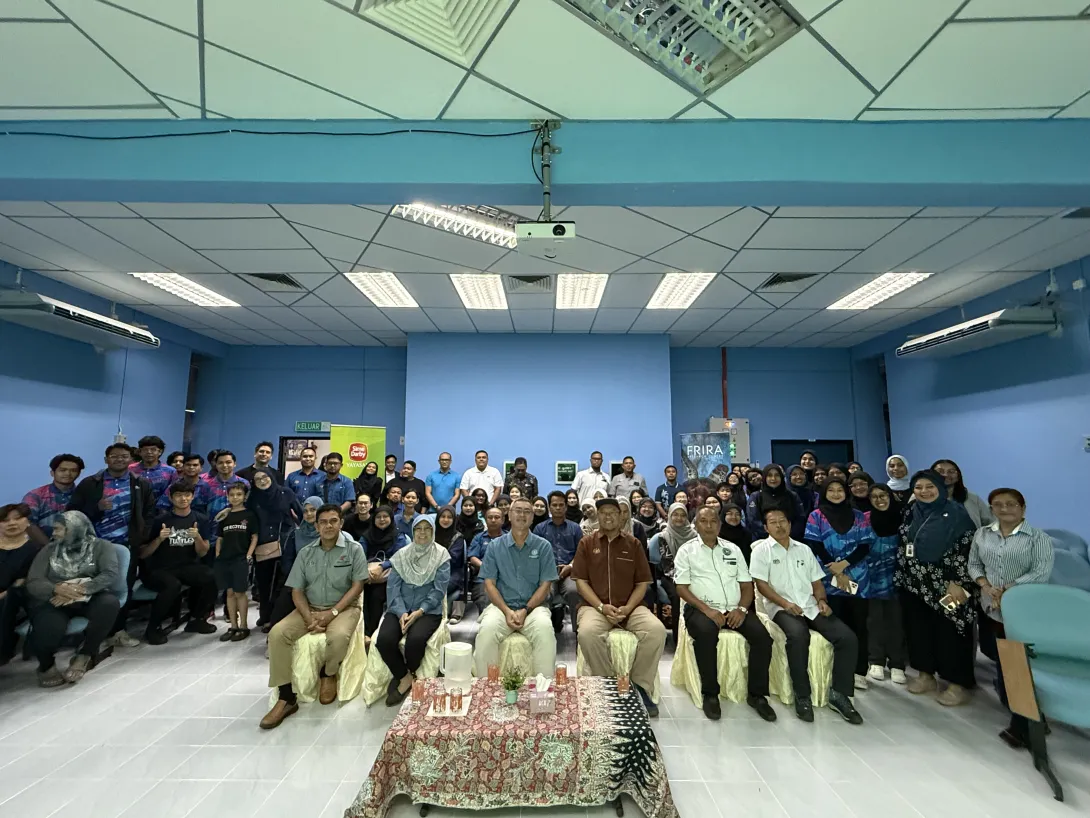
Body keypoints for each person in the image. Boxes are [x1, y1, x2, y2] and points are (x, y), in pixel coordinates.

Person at [751, 508, 863, 724]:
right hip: (781, 607)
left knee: (847, 638)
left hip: (810, 605)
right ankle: (802, 695)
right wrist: (785, 604)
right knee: (798, 635)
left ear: (790, 524)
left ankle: (839, 695)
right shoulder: (761, 551)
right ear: (766, 527)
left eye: (783, 521)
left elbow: (816, 582)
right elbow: (762, 585)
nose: (779, 526)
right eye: (773, 522)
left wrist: (822, 601)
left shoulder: (804, 550)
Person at [262, 503, 367, 728]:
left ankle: (328, 673)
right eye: (323, 522)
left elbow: (357, 586)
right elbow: (297, 591)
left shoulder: (354, 549)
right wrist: (309, 618)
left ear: (341, 523)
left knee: (338, 637)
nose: (328, 526)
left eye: (333, 521)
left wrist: (332, 613)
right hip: (309, 608)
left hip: (343, 608)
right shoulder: (306, 552)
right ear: (316, 526)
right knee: (277, 634)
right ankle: (286, 696)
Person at [969, 487, 1054, 748]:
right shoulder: (982, 534)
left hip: (1022, 610)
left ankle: (1024, 724)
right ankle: (1028, 715)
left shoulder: (1037, 537)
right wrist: (986, 586)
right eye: (998, 504)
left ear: (1022, 508)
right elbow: (974, 564)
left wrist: (1007, 589)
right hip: (990, 608)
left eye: (1011, 504)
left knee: (1017, 665)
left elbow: (1040, 572)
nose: (1004, 509)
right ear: (991, 508)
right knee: (1000, 660)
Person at [675, 506, 776, 722]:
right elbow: (681, 588)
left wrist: (741, 609)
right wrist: (707, 610)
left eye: (713, 521)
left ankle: (757, 695)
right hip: (700, 609)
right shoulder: (686, 551)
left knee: (763, 638)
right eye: (703, 521)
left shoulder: (733, 549)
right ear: (696, 525)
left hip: (734, 608)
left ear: (720, 525)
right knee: (706, 634)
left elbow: (746, 585)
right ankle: (710, 694)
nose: (709, 525)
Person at [573, 497, 665, 716]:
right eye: (603, 512)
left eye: (613, 512)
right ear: (597, 516)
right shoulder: (586, 543)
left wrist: (628, 608)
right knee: (587, 633)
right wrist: (601, 607)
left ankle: (639, 686)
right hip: (595, 607)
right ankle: (608, 684)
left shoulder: (633, 544)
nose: (608, 516)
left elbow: (642, 583)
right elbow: (580, 582)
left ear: (622, 516)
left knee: (656, 631)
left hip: (630, 606)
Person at [897, 470, 978, 706]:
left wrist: (958, 581)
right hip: (915, 582)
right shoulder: (911, 511)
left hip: (947, 584)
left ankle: (957, 684)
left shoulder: (957, 513)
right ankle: (926, 675)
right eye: (918, 487)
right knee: (919, 631)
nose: (924, 491)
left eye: (929, 486)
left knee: (951, 633)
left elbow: (967, 548)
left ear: (940, 488)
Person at [68, 442, 155, 648]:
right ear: (106, 459)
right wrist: (96, 507)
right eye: (114, 456)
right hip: (94, 546)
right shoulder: (90, 483)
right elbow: (73, 513)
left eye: (124, 456)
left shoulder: (140, 483)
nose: (119, 459)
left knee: (123, 587)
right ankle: (92, 632)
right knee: (93, 586)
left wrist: (141, 537)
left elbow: (149, 512)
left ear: (131, 460)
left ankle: (118, 630)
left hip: (127, 545)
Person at [25, 511, 120, 687]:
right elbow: (34, 580)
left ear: (76, 529)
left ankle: (85, 654)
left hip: (89, 594)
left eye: (58, 529)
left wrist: (80, 589)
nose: (53, 533)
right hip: (55, 598)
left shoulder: (101, 546)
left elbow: (109, 574)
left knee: (109, 604)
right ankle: (46, 665)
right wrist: (56, 589)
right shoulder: (49, 550)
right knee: (49, 627)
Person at [474, 497, 558, 678]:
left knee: (545, 631)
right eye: (517, 511)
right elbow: (489, 584)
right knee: (486, 632)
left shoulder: (543, 546)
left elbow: (546, 585)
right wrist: (506, 611)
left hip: (534, 608)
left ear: (533, 517)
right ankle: (486, 686)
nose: (522, 515)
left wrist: (526, 610)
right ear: (509, 515)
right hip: (501, 607)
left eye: (527, 511)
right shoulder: (495, 546)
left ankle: (543, 687)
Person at [804, 478, 874, 690]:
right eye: (831, 490)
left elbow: (865, 545)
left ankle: (859, 671)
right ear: (824, 493)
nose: (836, 494)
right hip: (827, 579)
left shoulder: (859, 516)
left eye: (840, 490)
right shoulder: (816, 516)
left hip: (857, 578)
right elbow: (814, 544)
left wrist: (843, 565)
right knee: (835, 624)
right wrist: (834, 567)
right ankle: (834, 669)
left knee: (859, 624)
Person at [378, 516, 451, 705]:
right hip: (399, 608)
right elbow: (393, 587)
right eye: (419, 528)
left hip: (427, 610)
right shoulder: (402, 555)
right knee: (384, 640)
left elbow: (438, 590)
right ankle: (404, 676)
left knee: (415, 641)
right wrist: (401, 612)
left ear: (433, 531)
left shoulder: (441, 555)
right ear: (413, 531)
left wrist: (420, 611)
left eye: (427, 528)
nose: (423, 532)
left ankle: (408, 673)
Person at [140, 483, 218, 644]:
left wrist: (197, 537)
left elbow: (203, 552)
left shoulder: (201, 519)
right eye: (178, 495)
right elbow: (143, 553)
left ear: (193, 496)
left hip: (186, 566)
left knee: (212, 576)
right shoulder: (159, 521)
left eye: (187, 495)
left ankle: (197, 619)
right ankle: (152, 628)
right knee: (172, 585)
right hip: (160, 568)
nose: (183, 498)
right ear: (170, 497)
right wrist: (159, 539)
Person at [247, 469, 302, 628]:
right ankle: (265, 615)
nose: (262, 480)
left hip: (285, 544)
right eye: (258, 479)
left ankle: (276, 618)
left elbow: (300, 513)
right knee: (264, 584)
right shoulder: (253, 498)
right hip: (262, 545)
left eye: (265, 477)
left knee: (280, 584)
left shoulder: (286, 493)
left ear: (271, 477)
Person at [864, 484, 906, 684]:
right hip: (871, 579)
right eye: (874, 497)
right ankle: (876, 660)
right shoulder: (864, 519)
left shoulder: (902, 518)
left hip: (897, 578)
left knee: (896, 620)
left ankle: (897, 663)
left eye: (883, 495)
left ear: (890, 496)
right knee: (874, 620)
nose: (879, 500)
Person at [533, 491, 584, 634]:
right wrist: (548, 567)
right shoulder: (540, 529)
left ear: (566, 507)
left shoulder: (575, 528)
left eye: (561, 505)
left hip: (569, 572)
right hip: (546, 573)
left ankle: (579, 633)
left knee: (574, 591)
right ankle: (544, 631)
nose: (558, 508)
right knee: (545, 594)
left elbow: (581, 553)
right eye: (554, 505)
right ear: (549, 507)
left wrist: (570, 566)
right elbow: (534, 554)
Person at [270, 496, 323, 630]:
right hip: (298, 579)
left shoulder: (328, 533)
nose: (309, 514)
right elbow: (287, 561)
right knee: (281, 606)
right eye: (305, 511)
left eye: (313, 510)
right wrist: (298, 578)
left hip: (323, 579)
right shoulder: (296, 534)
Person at [214, 483, 257, 641]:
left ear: (245, 496)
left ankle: (244, 626)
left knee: (240, 592)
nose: (235, 497)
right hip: (225, 559)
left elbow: (254, 536)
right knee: (230, 592)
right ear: (227, 496)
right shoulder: (224, 515)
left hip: (241, 558)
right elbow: (220, 538)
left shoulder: (250, 515)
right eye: (232, 495)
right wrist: (218, 554)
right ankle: (233, 625)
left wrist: (249, 555)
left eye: (239, 494)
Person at [648, 503, 693, 645]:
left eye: (683, 515)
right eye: (675, 515)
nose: (679, 518)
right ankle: (679, 639)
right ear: (669, 516)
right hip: (671, 576)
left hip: (693, 575)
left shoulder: (695, 536)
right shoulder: (663, 536)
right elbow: (668, 565)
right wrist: (684, 580)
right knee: (678, 595)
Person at [359, 506, 407, 638]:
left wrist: (382, 566)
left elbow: (399, 557)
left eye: (385, 517)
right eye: (378, 517)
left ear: (391, 518)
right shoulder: (367, 535)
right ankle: (362, 631)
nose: (382, 519)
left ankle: (370, 632)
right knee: (360, 594)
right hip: (367, 575)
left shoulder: (398, 536)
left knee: (376, 596)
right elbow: (359, 555)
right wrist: (365, 570)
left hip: (389, 577)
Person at [0, 503, 37, 664]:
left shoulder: (34, 549)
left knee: (7, 601)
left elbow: (21, 582)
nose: (12, 523)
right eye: (5, 520)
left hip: (15, 598)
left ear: (27, 521)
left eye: (17, 518)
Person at [23, 453, 85, 546]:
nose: (68, 474)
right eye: (63, 470)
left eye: (73, 470)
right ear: (52, 472)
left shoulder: (84, 495)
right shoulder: (35, 496)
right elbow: (28, 524)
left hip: (77, 547)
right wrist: (49, 548)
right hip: (41, 547)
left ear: (79, 474)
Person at [746, 465, 806, 541]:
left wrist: (786, 535)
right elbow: (753, 520)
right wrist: (773, 536)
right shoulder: (756, 496)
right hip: (763, 541)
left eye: (777, 475)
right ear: (764, 478)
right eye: (769, 475)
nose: (773, 478)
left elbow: (800, 518)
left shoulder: (792, 495)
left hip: (790, 540)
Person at [930, 459, 992, 528]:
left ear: (958, 477)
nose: (945, 475)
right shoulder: (921, 499)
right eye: (940, 471)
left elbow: (991, 525)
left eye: (951, 471)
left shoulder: (972, 498)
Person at [202, 451, 250, 536]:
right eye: (220, 463)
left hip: (238, 531)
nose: (224, 465)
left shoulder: (244, 484)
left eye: (228, 462)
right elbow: (200, 508)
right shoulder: (206, 485)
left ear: (234, 464)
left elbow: (249, 506)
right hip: (212, 532)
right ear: (216, 465)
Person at [467, 507, 505, 615]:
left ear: (502, 520)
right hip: (483, 578)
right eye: (490, 517)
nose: (493, 520)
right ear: (486, 520)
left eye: (497, 517)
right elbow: (473, 557)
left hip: (505, 578)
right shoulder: (478, 538)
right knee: (484, 600)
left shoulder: (509, 538)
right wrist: (485, 566)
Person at [433, 506, 466, 622]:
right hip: (431, 571)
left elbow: (452, 559)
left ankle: (438, 613)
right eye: (443, 516)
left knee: (438, 586)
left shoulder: (458, 537)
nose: (446, 520)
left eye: (449, 517)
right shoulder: (431, 535)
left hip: (452, 572)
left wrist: (434, 559)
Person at [128, 435, 177, 501]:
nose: (149, 452)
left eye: (153, 449)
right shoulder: (130, 469)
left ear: (160, 452)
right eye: (145, 449)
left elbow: (173, 493)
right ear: (140, 452)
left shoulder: (170, 471)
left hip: (161, 506)